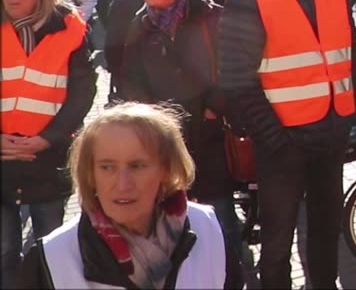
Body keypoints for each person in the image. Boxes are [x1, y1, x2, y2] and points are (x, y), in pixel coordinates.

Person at [217, 0, 356, 289]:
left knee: (326, 229)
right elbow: (235, 80)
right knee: (278, 241)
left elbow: (352, 54)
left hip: (330, 132)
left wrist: (350, 114)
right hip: (283, 141)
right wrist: (274, 139)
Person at [17, 103, 241, 289]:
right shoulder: (52, 259)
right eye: (107, 167)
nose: (123, 185)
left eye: (137, 166)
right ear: (90, 174)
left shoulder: (207, 229)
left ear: (166, 170)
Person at [115, 0, 240, 256]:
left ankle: (230, 272)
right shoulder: (141, 24)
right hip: (163, 136)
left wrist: (215, 107)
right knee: (173, 214)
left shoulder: (211, 15)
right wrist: (148, 115)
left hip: (208, 132)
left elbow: (235, 67)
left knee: (219, 213)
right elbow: (129, 75)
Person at [1, 0, 97, 281]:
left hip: (48, 160)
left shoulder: (70, 30)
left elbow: (82, 94)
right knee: (4, 253)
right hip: (1, 157)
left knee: (49, 252)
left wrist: (48, 139)